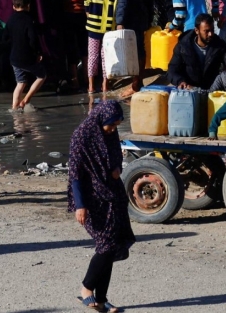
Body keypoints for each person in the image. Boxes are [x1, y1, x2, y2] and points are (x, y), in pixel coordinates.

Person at [68, 101, 134, 313]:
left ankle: (102, 300)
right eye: (110, 125)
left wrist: (116, 168)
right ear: (100, 119)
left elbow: (114, 157)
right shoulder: (81, 137)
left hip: (112, 193)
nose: (113, 130)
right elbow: (75, 175)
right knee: (106, 244)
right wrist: (80, 205)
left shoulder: (109, 134)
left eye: (116, 126)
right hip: (91, 198)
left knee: (112, 245)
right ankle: (87, 289)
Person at [115, 0, 154, 92]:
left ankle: (135, 84)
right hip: (143, 17)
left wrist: (120, 21)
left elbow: (123, 0)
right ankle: (139, 80)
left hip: (129, 19)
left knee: (131, 51)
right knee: (140, 49)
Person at [7, 0, 47, 110]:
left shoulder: (10, 20)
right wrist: (38, 53)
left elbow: (5, 38)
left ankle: (14, 108)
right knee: (42, 75)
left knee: (20, 83)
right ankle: (26, 100)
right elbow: (33, 39)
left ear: (14, 6)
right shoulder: (29, 20)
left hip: (14, 57)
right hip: (27, 57)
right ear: (28, 6)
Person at [167, 13, 226, 90]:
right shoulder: (183, 46)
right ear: (197, 30)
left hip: (212, 90)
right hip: (189, 90)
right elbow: (172, 70)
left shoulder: (219, 45)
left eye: (212, 30)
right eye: (206, 31)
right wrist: (180, 81)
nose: (210, 34)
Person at [84, 0, 119, 94]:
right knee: (106, 57)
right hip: (109, 30)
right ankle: (105, 84)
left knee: (92, 56)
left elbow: (86, 7)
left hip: (93, 29)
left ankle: (91, 86)